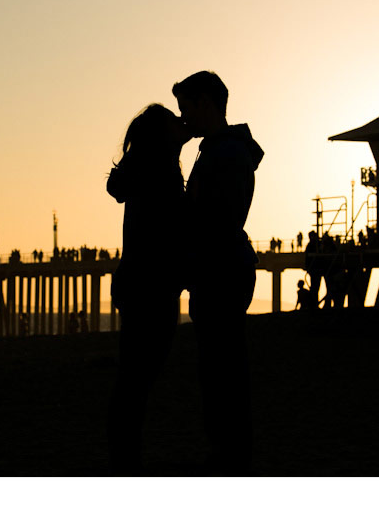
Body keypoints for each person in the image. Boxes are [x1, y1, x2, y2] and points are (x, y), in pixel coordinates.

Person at [173, 70, 264, 474]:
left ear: (206, 104)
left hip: (220, 270)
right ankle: (230, 449)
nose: (183, 118)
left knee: (221, 367)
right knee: (224, 364)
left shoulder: (224, 154)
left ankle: (230, 453)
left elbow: (217, 219)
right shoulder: (221, 149)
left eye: (186, 108)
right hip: (224, 267)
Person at [106, 103, 189, 474]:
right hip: (154, 284)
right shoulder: (160, 169)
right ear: (161, 134)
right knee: (139, 376)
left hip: (136, 281)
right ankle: (126, 463)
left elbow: (117, 185)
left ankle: (125, 458)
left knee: (133, 377)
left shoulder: (144, 166)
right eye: (174, 121)